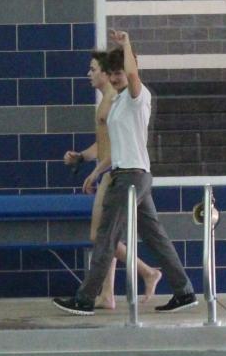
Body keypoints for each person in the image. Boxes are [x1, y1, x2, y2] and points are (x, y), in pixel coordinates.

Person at [54, 30, 198, 316]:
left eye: (120, 72)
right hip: (128, 172)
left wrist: (126, 44)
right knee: (155, 237)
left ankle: (85, 298)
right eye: (112, 73)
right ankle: (184, 291)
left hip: (132, 177)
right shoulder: (118, 103)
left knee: (106, 236)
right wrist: (96, 171)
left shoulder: (137, 96)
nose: (117, 77)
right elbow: (118, 148)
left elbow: (132, 76)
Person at [62, 49, 161, 310]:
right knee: (109, 235)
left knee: (102, 236)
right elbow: (104, 144)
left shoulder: (116, 101)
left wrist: (96, 170)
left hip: (118, 172)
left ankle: (146, 272)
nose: (90, 74)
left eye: (94, 69)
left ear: (107, 73)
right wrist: (83, 158)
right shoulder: (109, 102)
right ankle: (108, 293)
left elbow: (116, 147)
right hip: (112, 171)